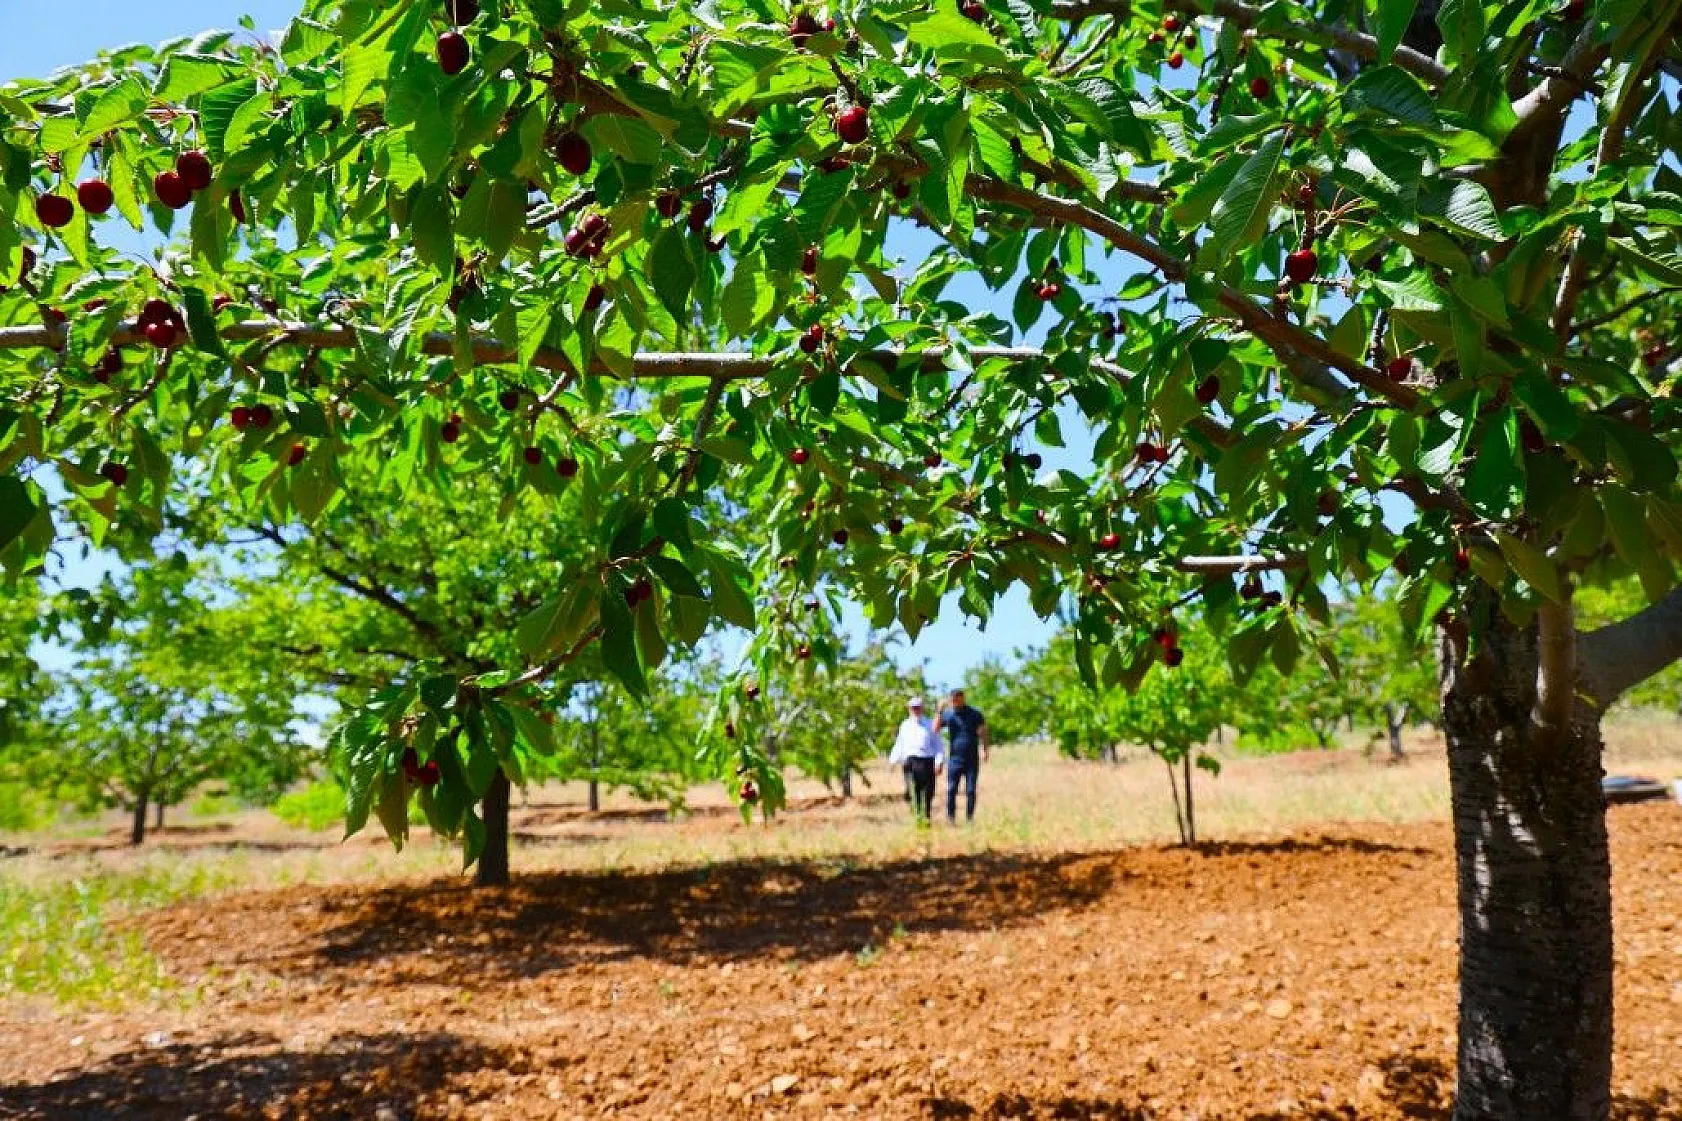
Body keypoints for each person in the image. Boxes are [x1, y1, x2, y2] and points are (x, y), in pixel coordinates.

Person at [936, 688, 988, 823]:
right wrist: (939, 711)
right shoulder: (948, 714)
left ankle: (969, 818)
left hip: (971, 758)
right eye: (953, 699)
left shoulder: (975, 714)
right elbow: (935, 729)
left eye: (958, 699)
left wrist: (985, 749)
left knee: (970, 790)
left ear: (963, 698)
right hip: (954, 758)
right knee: (951, 789)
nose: (955, 701)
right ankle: (950, 818)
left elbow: (983, 732)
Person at [888, 696, 943, 822]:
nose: (916, 710)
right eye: (913, 708)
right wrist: (892, 761)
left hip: (927, 761)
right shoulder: (905, 725)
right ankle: (917, 816)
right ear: (909, 709)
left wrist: (939, 762)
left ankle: (926, 817)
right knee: (912, 791)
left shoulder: (930, 724)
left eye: (918, 708)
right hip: (910, 762)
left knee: (928, 792)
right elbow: (900, 744)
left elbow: (938, 744)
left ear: (922, 708)